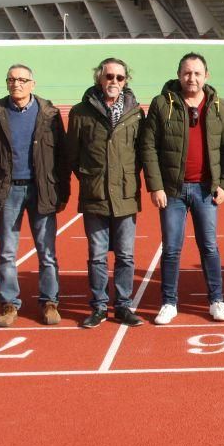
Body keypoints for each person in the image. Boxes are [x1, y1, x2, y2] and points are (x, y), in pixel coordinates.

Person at [140, 52, 224, 325]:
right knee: (171, 248)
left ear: (206, 76)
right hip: (172, 190)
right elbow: (149, 146)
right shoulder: (161, 104)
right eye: (186, 73)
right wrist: (156, 186)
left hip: (206, 190)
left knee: (209, 247)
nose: (191, 78)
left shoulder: (219, 106)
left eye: (197, 73)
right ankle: (169, 303)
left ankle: (217, 300)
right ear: (179, 74)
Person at [0, 64, 70, 327]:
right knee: (7, 251)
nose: (17, 83)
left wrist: (63, 191)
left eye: (22, 79)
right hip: (7, 190)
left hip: (42, 188)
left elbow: (62, 156)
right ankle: (9, 304)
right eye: (12, 79)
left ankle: (50, 302)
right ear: (7, 83)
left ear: (32, 84)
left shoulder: (49, 113)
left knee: (47, 251)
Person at [66, 58, 145, 328]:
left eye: (120, 78)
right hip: (95, 195)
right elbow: (72, 156)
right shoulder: (80, 112)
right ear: (99, 78)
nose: (114, 82)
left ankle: (123, 306)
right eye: (109, 76)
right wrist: (91, 177)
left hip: (125, 195)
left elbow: (141, 154)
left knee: (125, 255)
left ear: (126, 81)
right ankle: (99, 306)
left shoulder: (136, 113)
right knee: (97, 255)